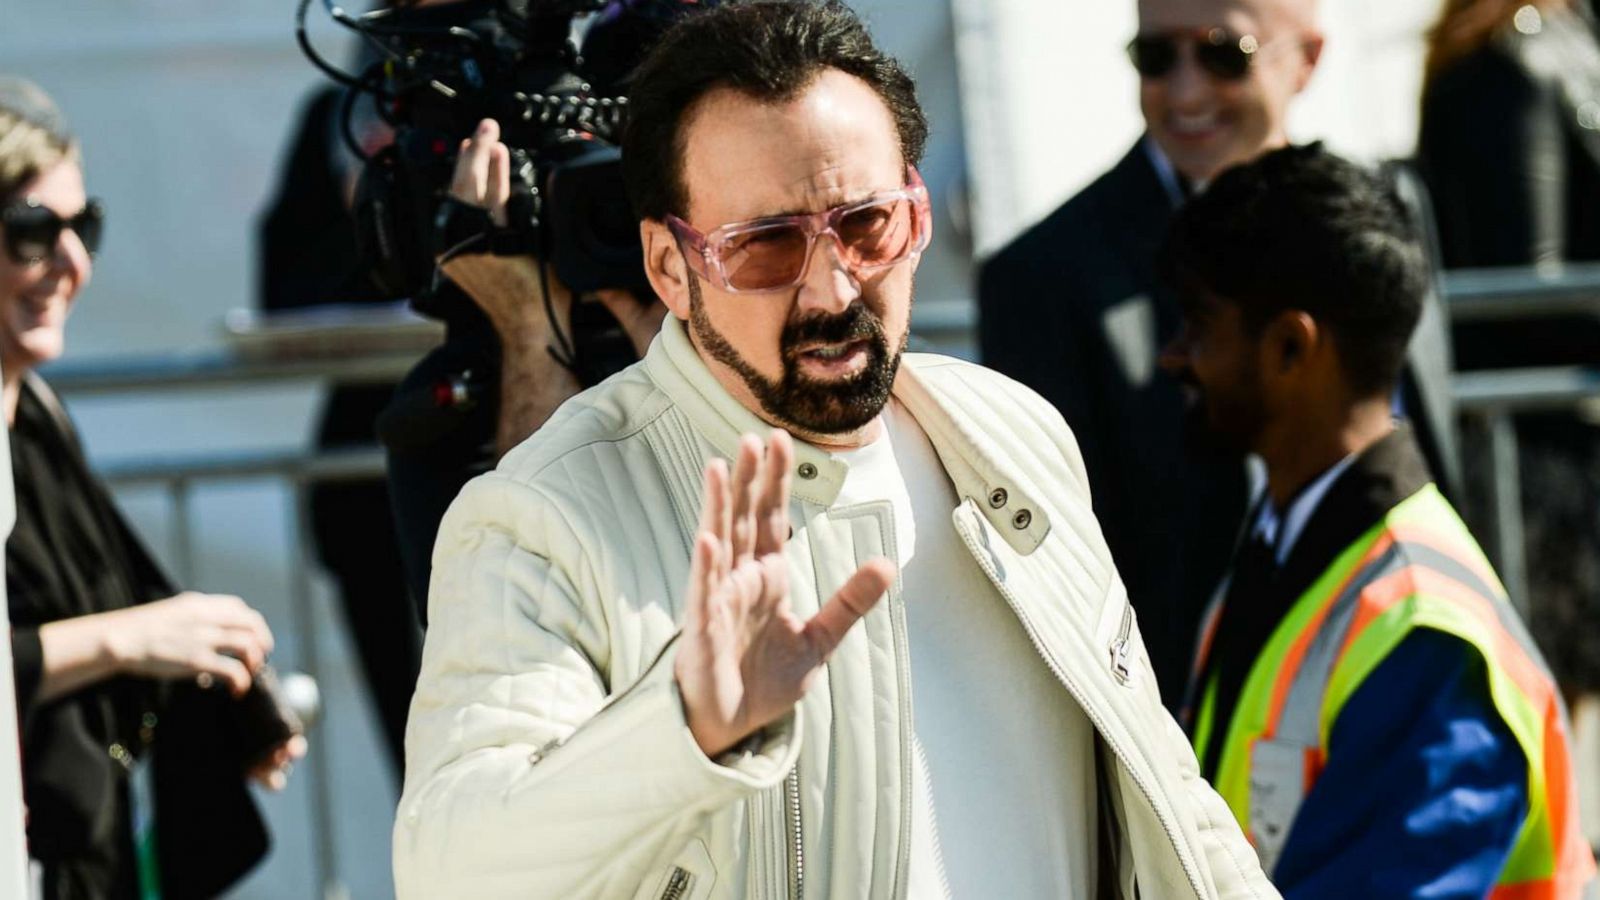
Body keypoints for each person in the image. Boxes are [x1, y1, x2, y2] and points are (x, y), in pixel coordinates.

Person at [394, 4, 1275, 898]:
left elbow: (1166, 794)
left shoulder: (1011, 432)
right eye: (766, 244)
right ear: (669, 267)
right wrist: (685, 731)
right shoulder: (545, 515)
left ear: (919, 213)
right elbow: (451, 872)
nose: (831, 286)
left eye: (865, 225)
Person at [976, 0, 1459, 711]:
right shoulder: (1044, 277)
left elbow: (1440, 467)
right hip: (1187, 732)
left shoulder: (1391, 212)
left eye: (1223, 53)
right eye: (1156, 57)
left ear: (1309, 58)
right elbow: (1058, 570)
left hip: (1410, 677)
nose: (1187, 91)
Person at [1162, 143, 1596, 897]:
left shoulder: (1427, 636)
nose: (1174, 358)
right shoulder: (1284, 545)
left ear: (1292, 347)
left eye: (1199, 325)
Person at [0, 77, 305, 898]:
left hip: (70, 842)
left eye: (83, 226)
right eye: (31, 231)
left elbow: (106, 592)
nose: (70, 262)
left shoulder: (34, 411)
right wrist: (135, 638)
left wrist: (206, 671)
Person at [1418, 0, 1600, 709]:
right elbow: (1526, 289)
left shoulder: (1562, 37)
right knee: (1543, 720)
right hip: (1532, 460)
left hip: (1553, 445)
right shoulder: (1511, 55)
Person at [256, 83, 422, 775]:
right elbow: (283, 286)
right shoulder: (344, 110)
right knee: (419, 758)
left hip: (519, 448)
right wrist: (374, 213)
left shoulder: (530, 83)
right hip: (371, 477)